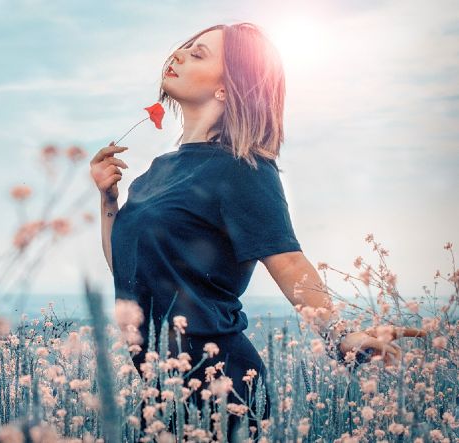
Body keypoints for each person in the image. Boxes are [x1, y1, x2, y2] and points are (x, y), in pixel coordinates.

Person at [89, 22, 429, 442]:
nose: (177, 55)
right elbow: (127, 267)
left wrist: (340, 334)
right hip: (158, 390)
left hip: (220, 385)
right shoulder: (159, 171)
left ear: (227, 89)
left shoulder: (243, 167)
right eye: (184, 48)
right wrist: (108, 201)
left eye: (198, 55)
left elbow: (286, 259)